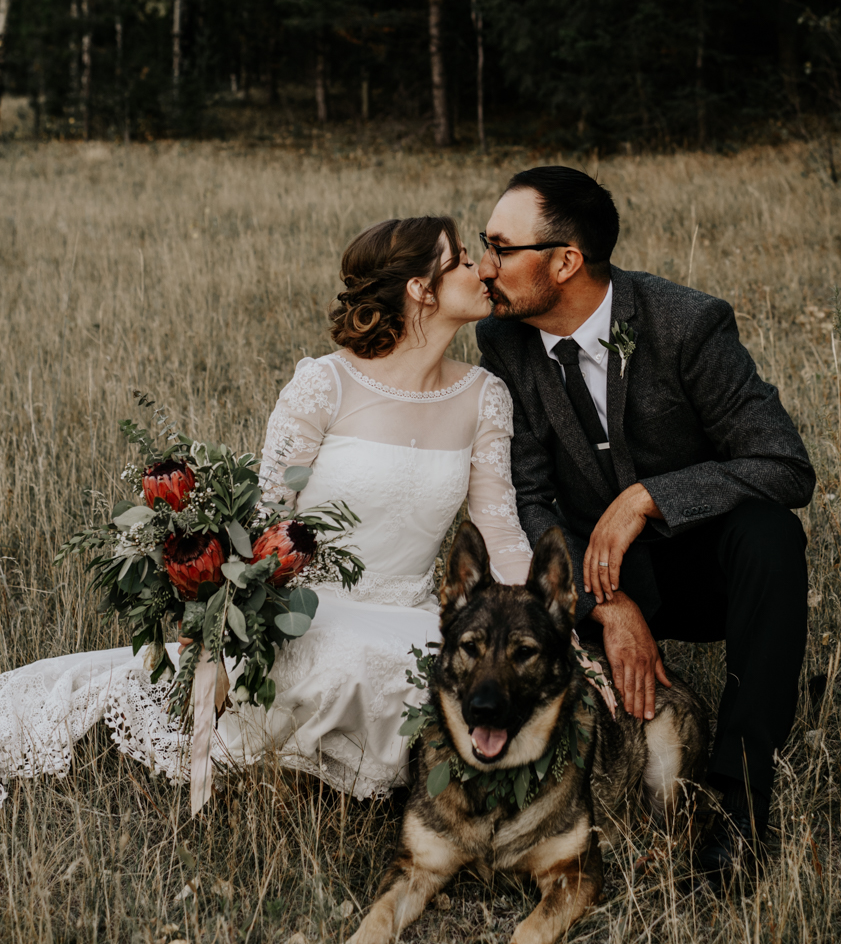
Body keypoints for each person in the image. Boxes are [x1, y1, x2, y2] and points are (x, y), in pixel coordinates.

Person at [0, 217, 533, 801]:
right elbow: (264, 514)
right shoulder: (325, 385)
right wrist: (218, 620)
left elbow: (499, 530)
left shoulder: (485, 396)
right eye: (460, 260)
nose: (482, 268)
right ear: (419, 288)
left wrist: (548, 628)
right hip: (307, 608)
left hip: (413, 613)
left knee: (441, 671)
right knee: (346, 659)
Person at [475, 166, 816, 880]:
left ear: (564, 260)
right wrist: (602, 604)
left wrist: (645, 499)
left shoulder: (684, 323)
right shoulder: (503, 345)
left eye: (500, 248)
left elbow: (784, 465)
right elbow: (528, 498)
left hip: (696, 566)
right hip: (589, 572)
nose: (484, 268)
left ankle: (741, 804)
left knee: (770, 536)